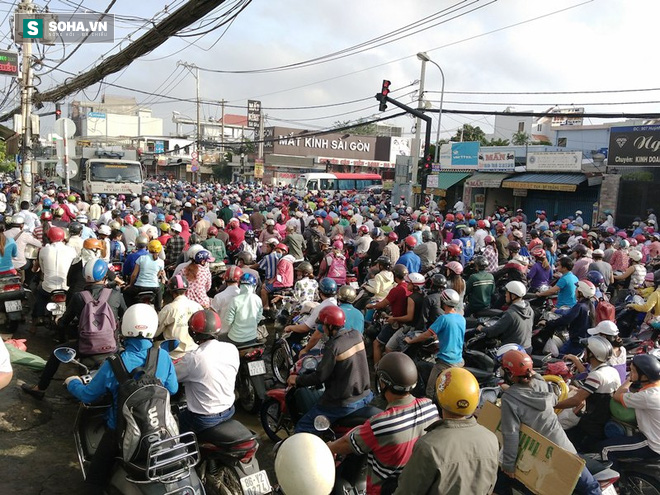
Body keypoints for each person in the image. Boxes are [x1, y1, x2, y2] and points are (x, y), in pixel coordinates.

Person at [64, 304, 178, 489]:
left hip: (119, 432)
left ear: (125, 327)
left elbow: (88, 395)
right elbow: (172, 389)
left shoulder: (115, 363)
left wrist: (72, 382)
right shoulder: (163, 356)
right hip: (159, 429)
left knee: (93, 481)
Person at [327, 353, 439, 494]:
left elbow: (347, 444)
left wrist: (329, 447)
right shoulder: (430, 408)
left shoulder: (381, 424)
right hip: (416, 486)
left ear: (383, 383)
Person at [498, 350, 601, 495]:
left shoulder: (509, 399)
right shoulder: (541, 382)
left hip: (540, 455)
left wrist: (508, 465)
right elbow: (552, 399)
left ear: (509, 372)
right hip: (563, 447)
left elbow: (511, 433)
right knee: (590, 486)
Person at [22, 259, 126, 398]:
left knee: (55, 353)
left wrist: (59, 322)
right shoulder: (115, 294)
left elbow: (64, 322)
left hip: (85, 347)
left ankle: (40, 388)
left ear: (85, 277)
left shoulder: (79, 297)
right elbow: (125, 316)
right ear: (104, 276)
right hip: (112, 347)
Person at [394, 367, 499, 495]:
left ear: (439, 399)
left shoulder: (429, 447)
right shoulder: (492, 439)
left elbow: (407, 491)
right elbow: (489, 486)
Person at [287, 305, 372, 434]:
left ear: (330, 327)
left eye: (323, 325)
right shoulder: (356, 335)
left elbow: (320, 377)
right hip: (365, 395)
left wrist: (297, 379)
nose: (322, 328)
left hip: (344, 403)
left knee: (302, 428)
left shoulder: (333, 346)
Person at [175, 309, 239, 434]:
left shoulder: (193, 358)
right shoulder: (231, 348)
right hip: (229, 410)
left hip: (204, 418)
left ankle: (187, 451)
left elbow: (172, 376)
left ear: (193, 333)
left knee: (176, 423)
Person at [555, 336, 621, 452]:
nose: (584, 353)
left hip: (591, 425)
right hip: (603, 419)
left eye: (586, 351)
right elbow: (588, 375)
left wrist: (554, 405)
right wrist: (576, 360)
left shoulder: (597, 376)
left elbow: (576, 400)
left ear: (592, 354)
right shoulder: (610, 370)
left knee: (562, 441)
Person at [599, 354, 660, 466]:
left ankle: (614, 483)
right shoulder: (656, 389)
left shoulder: (646, 396)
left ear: (644, 376)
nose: (630, 373)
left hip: (653, 444)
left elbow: (617, 395)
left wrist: (629, 379)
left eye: (632, 371)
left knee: (605, 449)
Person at [405, 289, 466, 398]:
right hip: (459, 360)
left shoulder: (443, 319)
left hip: (445, 363)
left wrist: (411, 340)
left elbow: (425, 335)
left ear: (443, 302)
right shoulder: (461, 318)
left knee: (430, 390)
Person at [31, 227, 76, 331]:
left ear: (49, 237)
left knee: (39, 296)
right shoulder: (71, 250)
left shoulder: (43, 250)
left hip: (48, 287)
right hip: (65, 287)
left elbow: (42, 269)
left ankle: (37, 318)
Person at [367, 264, 410, 364]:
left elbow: (382, 304)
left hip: (396, 322)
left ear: (395, 275)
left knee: (376, 343)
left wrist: (371, 306)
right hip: (404, 322)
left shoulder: (396, 290)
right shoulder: (408, 288)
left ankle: (377, 368)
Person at [543, 280, 597, 356]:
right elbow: (570, 312)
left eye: (577, 289)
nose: (575, 291)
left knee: (560, 356)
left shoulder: (580, 306)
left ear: (581, 292)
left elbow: (565, 319)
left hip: (576, 342)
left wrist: (549, 323)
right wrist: (557, 311)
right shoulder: (590, 305)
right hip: (585, 340)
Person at [155, 275, 203, 359]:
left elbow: (156, 332)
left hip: (173, 354)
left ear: (171, 292)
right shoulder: (197, 306)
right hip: (194, 351)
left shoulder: (169, 309)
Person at [477, 281, 533, 352]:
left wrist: (482, 328)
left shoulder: (511, 314)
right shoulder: (530, 310)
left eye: (506, 293)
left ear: (513, 296)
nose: (505, 295)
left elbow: (494, 331)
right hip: (527, 348)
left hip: (513, 351)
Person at [222, 273, 263, 345]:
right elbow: (258, 319)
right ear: (254, 286)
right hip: (252, 337)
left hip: (235, 338)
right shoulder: (258, 299)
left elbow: (228, 321)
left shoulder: (235, 300)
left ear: (240, 285)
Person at [126, 239, 166, 310]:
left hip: (139, 287)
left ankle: (130, 309)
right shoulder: (161, 262)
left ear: (148, 247)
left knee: (126, 292)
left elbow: (134, 275)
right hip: (154, 288)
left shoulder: (141, 258)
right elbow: (158, 275)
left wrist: (130, 284)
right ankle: (158, 310)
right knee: (160, 294)